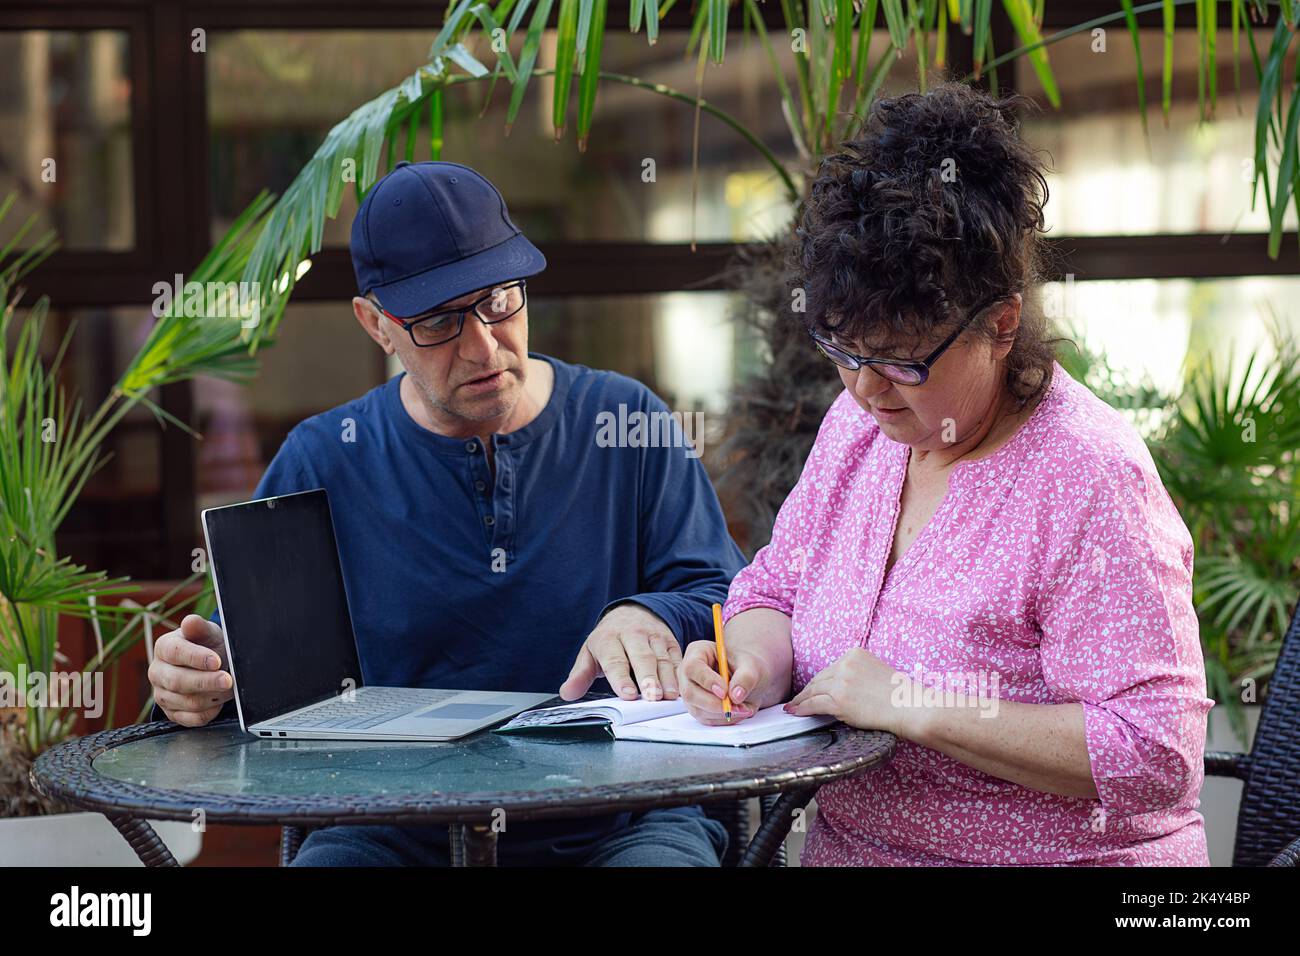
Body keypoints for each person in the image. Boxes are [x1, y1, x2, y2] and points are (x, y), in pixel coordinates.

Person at [147, 160, 742, 866]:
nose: (483, 346)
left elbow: (732, 601)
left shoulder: (627, 421)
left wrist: (651, 612)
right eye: (439, 322)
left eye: (500, 301)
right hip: (387, 824)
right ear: (376, 324)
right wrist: (193, 684)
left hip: (627, 819)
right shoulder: (323, 458)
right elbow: (249, 667)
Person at [679, 83, 1214, 866]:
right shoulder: (861, 429)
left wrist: (915, 704)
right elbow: (775, 593)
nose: (865, 388)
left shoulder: (1088, 477)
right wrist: (748, 664)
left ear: (1000, 324)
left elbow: (1155, 754)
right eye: (844, 352)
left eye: (902, 359)